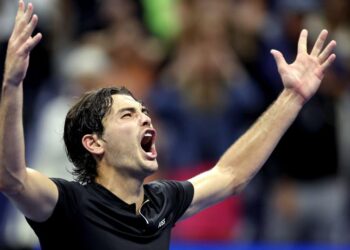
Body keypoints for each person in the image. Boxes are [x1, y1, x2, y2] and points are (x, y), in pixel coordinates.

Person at [0, 1, 336, 250]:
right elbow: (11, 178)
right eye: (127, 115)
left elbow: (231, 174)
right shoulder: (69, 204)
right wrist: (12, 84)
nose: (145, 116)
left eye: (143, 110)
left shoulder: (162, 201)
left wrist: (292, 97)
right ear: (94, 143)